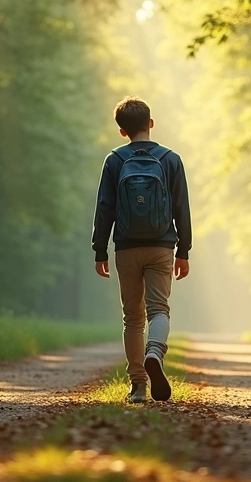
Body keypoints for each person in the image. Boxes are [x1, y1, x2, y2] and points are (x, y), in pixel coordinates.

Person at [91, 96, 192, 403]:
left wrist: (100, 250)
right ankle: (155, 352)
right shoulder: (171, 159)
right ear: (151, 123)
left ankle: (138, 385)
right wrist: (184, 250)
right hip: (162, 246)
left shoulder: (115, 160)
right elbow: (181, 207)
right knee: (159, 309)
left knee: (132, 318)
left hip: (126, 247)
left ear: (122, 131)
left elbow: (105, 208)